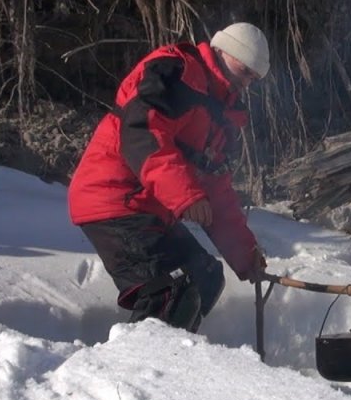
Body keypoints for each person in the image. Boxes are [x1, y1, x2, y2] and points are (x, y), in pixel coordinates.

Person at [68, 22, 270, 334]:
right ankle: (129, 373)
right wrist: (186, 195)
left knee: (205, 276)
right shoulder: (176, 71)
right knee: (171, 292)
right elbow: (142, 133)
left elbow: (216, 187)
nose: (245, 84)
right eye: (244, 71)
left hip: (147, 209)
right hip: (113, 198)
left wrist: (246, 255)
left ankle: (172, 364)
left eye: (252, 79)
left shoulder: (222, 115)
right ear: (221, 51)